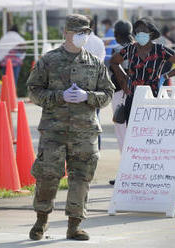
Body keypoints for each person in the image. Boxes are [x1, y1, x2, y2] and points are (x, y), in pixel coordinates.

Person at [26, 14, 115, 241]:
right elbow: (34, 90)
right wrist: (59, 96)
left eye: (85, 32)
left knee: (81, 177)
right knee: (47, 176)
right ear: (66, 33)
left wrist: (88, 96)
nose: (82, 36)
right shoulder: (49, 60)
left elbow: (108, 94)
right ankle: (41, 220)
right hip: (54, 131)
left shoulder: (95, 63)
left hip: (85, 131)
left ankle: (74, 225)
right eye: (78, 32)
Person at [110, 17, 175, 122]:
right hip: (133, 97)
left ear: (151, 33)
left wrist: (165, 76)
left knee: (150, 132)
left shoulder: (160, 50)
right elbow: (113, 61)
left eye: (144, 31)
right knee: (133, 132)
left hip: (153, 97)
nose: (140, 33)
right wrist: (123, 79)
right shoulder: (130, 49)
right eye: (137, 31)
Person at [108, 20, 134, 186]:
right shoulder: (139, 47)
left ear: (117, 34)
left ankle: (126, 173)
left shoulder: (117, 50)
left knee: (123, 136)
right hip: (137, 94)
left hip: (121, 95)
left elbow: (116, 73)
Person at [84, 16, 106, 150]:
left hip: (80, 84)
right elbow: (101, 62)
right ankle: (96, 147)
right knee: (95, 117)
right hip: (96, 83)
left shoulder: (76, 42)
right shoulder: (99, 41)